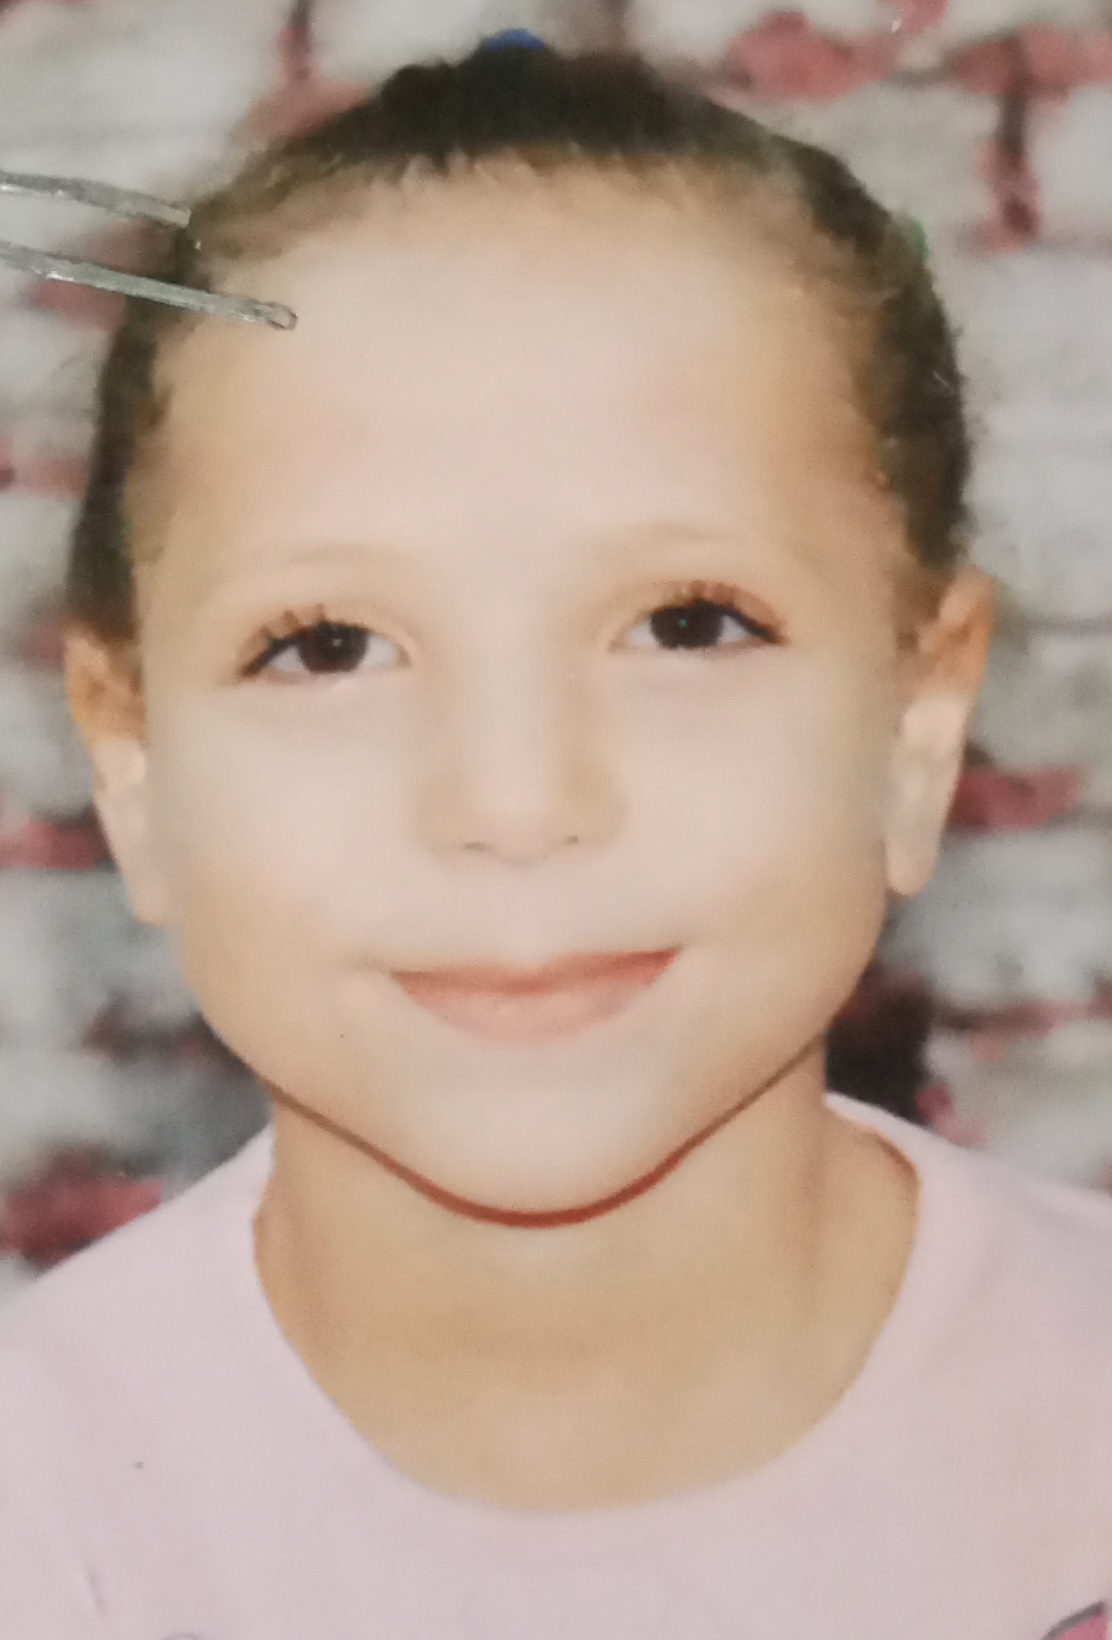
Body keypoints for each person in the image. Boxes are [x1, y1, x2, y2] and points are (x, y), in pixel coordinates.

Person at [1, 38, 1109, 1640]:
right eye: (328, 647)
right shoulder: (47, 1513)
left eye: (687, 624)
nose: (514, 802)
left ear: (917, 723)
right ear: (132, 760)